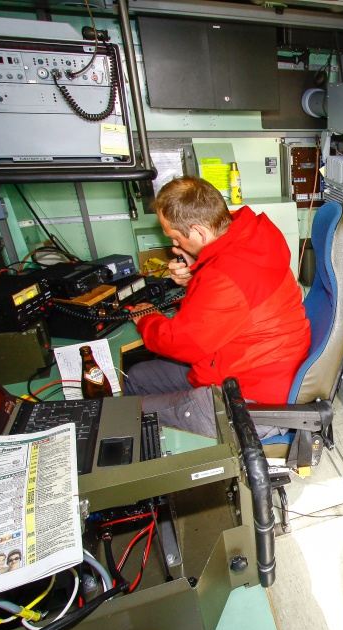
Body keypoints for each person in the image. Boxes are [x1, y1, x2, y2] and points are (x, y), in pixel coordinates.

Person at [125, 177, 310, 438]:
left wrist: (147, 319)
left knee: (128, 415)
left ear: (199, 232)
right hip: (243, 363)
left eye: (176, 238)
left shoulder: (227, 275)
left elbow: (181, 342)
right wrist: (197, 270)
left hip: (252, 399)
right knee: (136, 377)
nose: (175, 247)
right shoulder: (251, 237)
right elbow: (229, 305)